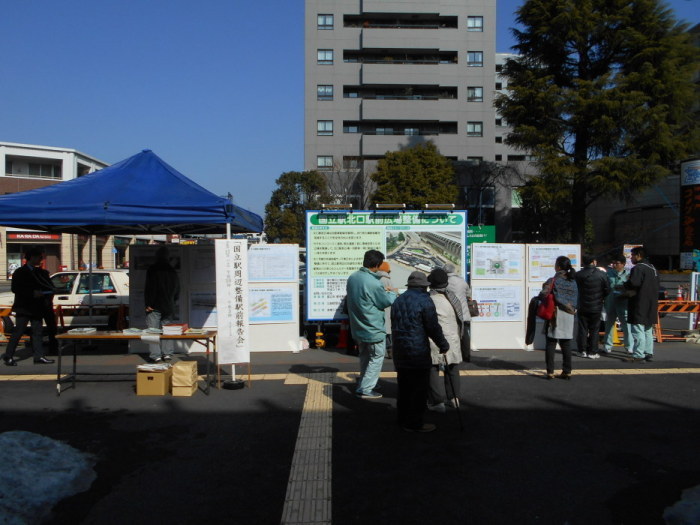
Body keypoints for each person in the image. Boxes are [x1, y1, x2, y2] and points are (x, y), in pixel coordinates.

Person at [391, 271, 449, 432]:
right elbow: (433, 327)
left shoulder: (398, 300)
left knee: (404, 388)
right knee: (419, 390)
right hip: (417, 351)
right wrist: (443, 344)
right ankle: (414, 423)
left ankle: (402, 419)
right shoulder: (425, 300)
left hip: (400, 351)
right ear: (424, 287)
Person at [345, 250, 397, 399]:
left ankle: (365, 381)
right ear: (376, 265)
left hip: (358, 325)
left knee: (365, 355)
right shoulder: (374, 282)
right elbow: (385, 302)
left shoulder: (353, 277)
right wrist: (392, 292)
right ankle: (366, 388)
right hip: (372, 326)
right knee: (377, 356)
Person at [1, 246, 55, 366]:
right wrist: (32, 293)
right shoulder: (20, 272)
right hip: (24, 307)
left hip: (36, 307)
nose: (41, 260)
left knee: (37, 331)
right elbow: (15, 288)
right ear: (32, 257)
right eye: (39, 257)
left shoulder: (39, 272)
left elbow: (47, 286)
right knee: (19, 331)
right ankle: (8, 356)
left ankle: (39, 356)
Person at [426, 268, 463, 412]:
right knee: (452, 367)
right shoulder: (452, 297)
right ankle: (454, 398)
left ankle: (436, 402)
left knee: (433, 368)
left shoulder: (429, 299)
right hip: (452, 337)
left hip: (434, 339)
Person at [540, 256, 578, 379]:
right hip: (569, 314)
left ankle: (550, 372)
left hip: (555, 314)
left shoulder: (553, 280)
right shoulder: (572, 281)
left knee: (551, 343)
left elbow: (544, 294)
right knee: (566, 344)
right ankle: (567, 371)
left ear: (559, 267)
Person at [144, 246, 180, 363]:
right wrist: (174, 300)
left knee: (152, 330)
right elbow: (177, 287)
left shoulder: (153, 269)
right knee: (167, 330)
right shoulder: (172, 270)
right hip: (169, 305)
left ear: (157, 256)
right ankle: (168, 353)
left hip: (155, 305)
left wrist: (149, 303)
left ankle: (156, 355)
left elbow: (151, 287)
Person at [624, 247, 660, 362]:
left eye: (633, 255)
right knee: (648, 328)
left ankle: (638, 354)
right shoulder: (653, 268)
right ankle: (648, 352)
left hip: (639, 302)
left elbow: (634, 283)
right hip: (651, 302)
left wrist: (626, 284)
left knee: (638, 329)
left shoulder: (638, 268)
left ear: (639, 255)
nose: (631, 257)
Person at [575, 254, 610, 359]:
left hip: (582, 305)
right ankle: (593, 351)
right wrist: (601, 297)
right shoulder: (602, 274)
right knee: (595, 329)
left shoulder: (578, 275)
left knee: (582, 328)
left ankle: (582, 350)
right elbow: (608, 289)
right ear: (593, 262)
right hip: (596, 305)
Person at [443, 263, 473, 360]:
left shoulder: (445, 282)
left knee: (451, 334)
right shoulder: (462, 281)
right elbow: (468, 295)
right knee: (464, 335)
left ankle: (454, 356)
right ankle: (467, 356)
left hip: (452, 313)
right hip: (464, 313)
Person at [603, 255, 632, 354]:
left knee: (626, 325)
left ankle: (629, 345)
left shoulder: (629, 274)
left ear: (623, 264)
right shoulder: (608, 273)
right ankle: (607, 345)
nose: (614, 265)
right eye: (613, 263)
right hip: (610, 301)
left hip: (623, 302)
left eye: (617, 263)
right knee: (609, 324)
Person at [375, 261, 397, 358]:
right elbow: (392, 295)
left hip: (378, 308)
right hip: (387, 308)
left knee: (382, 330)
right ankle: (390, 350)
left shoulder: (376, 279)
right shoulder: (387, 280)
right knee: (388, 331)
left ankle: (382, 351)